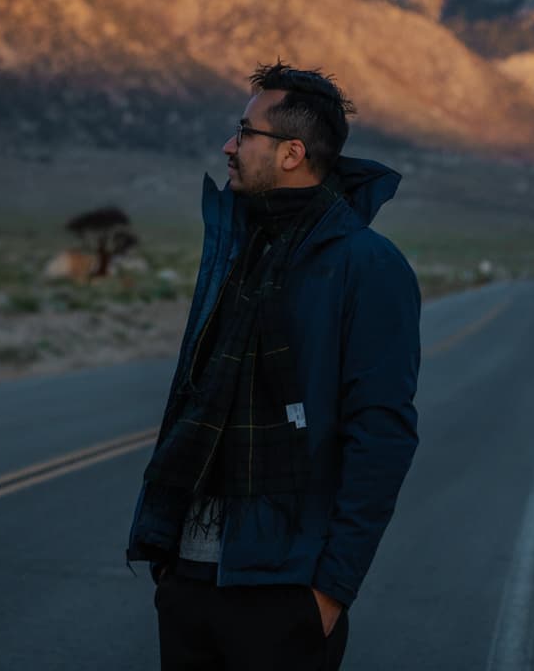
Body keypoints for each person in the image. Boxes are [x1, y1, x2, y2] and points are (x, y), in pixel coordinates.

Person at [127, 60, 421, 670]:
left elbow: (382, 433)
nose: (228, 146)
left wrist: (329, 591)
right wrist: (169, 565)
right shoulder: (239, 247)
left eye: (244, 132)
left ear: (291, 152)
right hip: (189, 579)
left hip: (284, 595)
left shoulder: (367, 266)